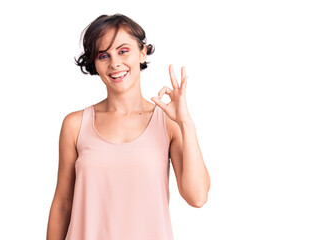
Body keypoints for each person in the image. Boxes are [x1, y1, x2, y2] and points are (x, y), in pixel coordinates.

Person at [46, 13, 210, 240]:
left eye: (123, 51)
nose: (114, 63)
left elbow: (197, 197)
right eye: (104, 55)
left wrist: (186, 124)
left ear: (142, 52)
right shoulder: (75, 124)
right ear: (94, 63)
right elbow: (63, 203)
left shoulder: (168, 123)